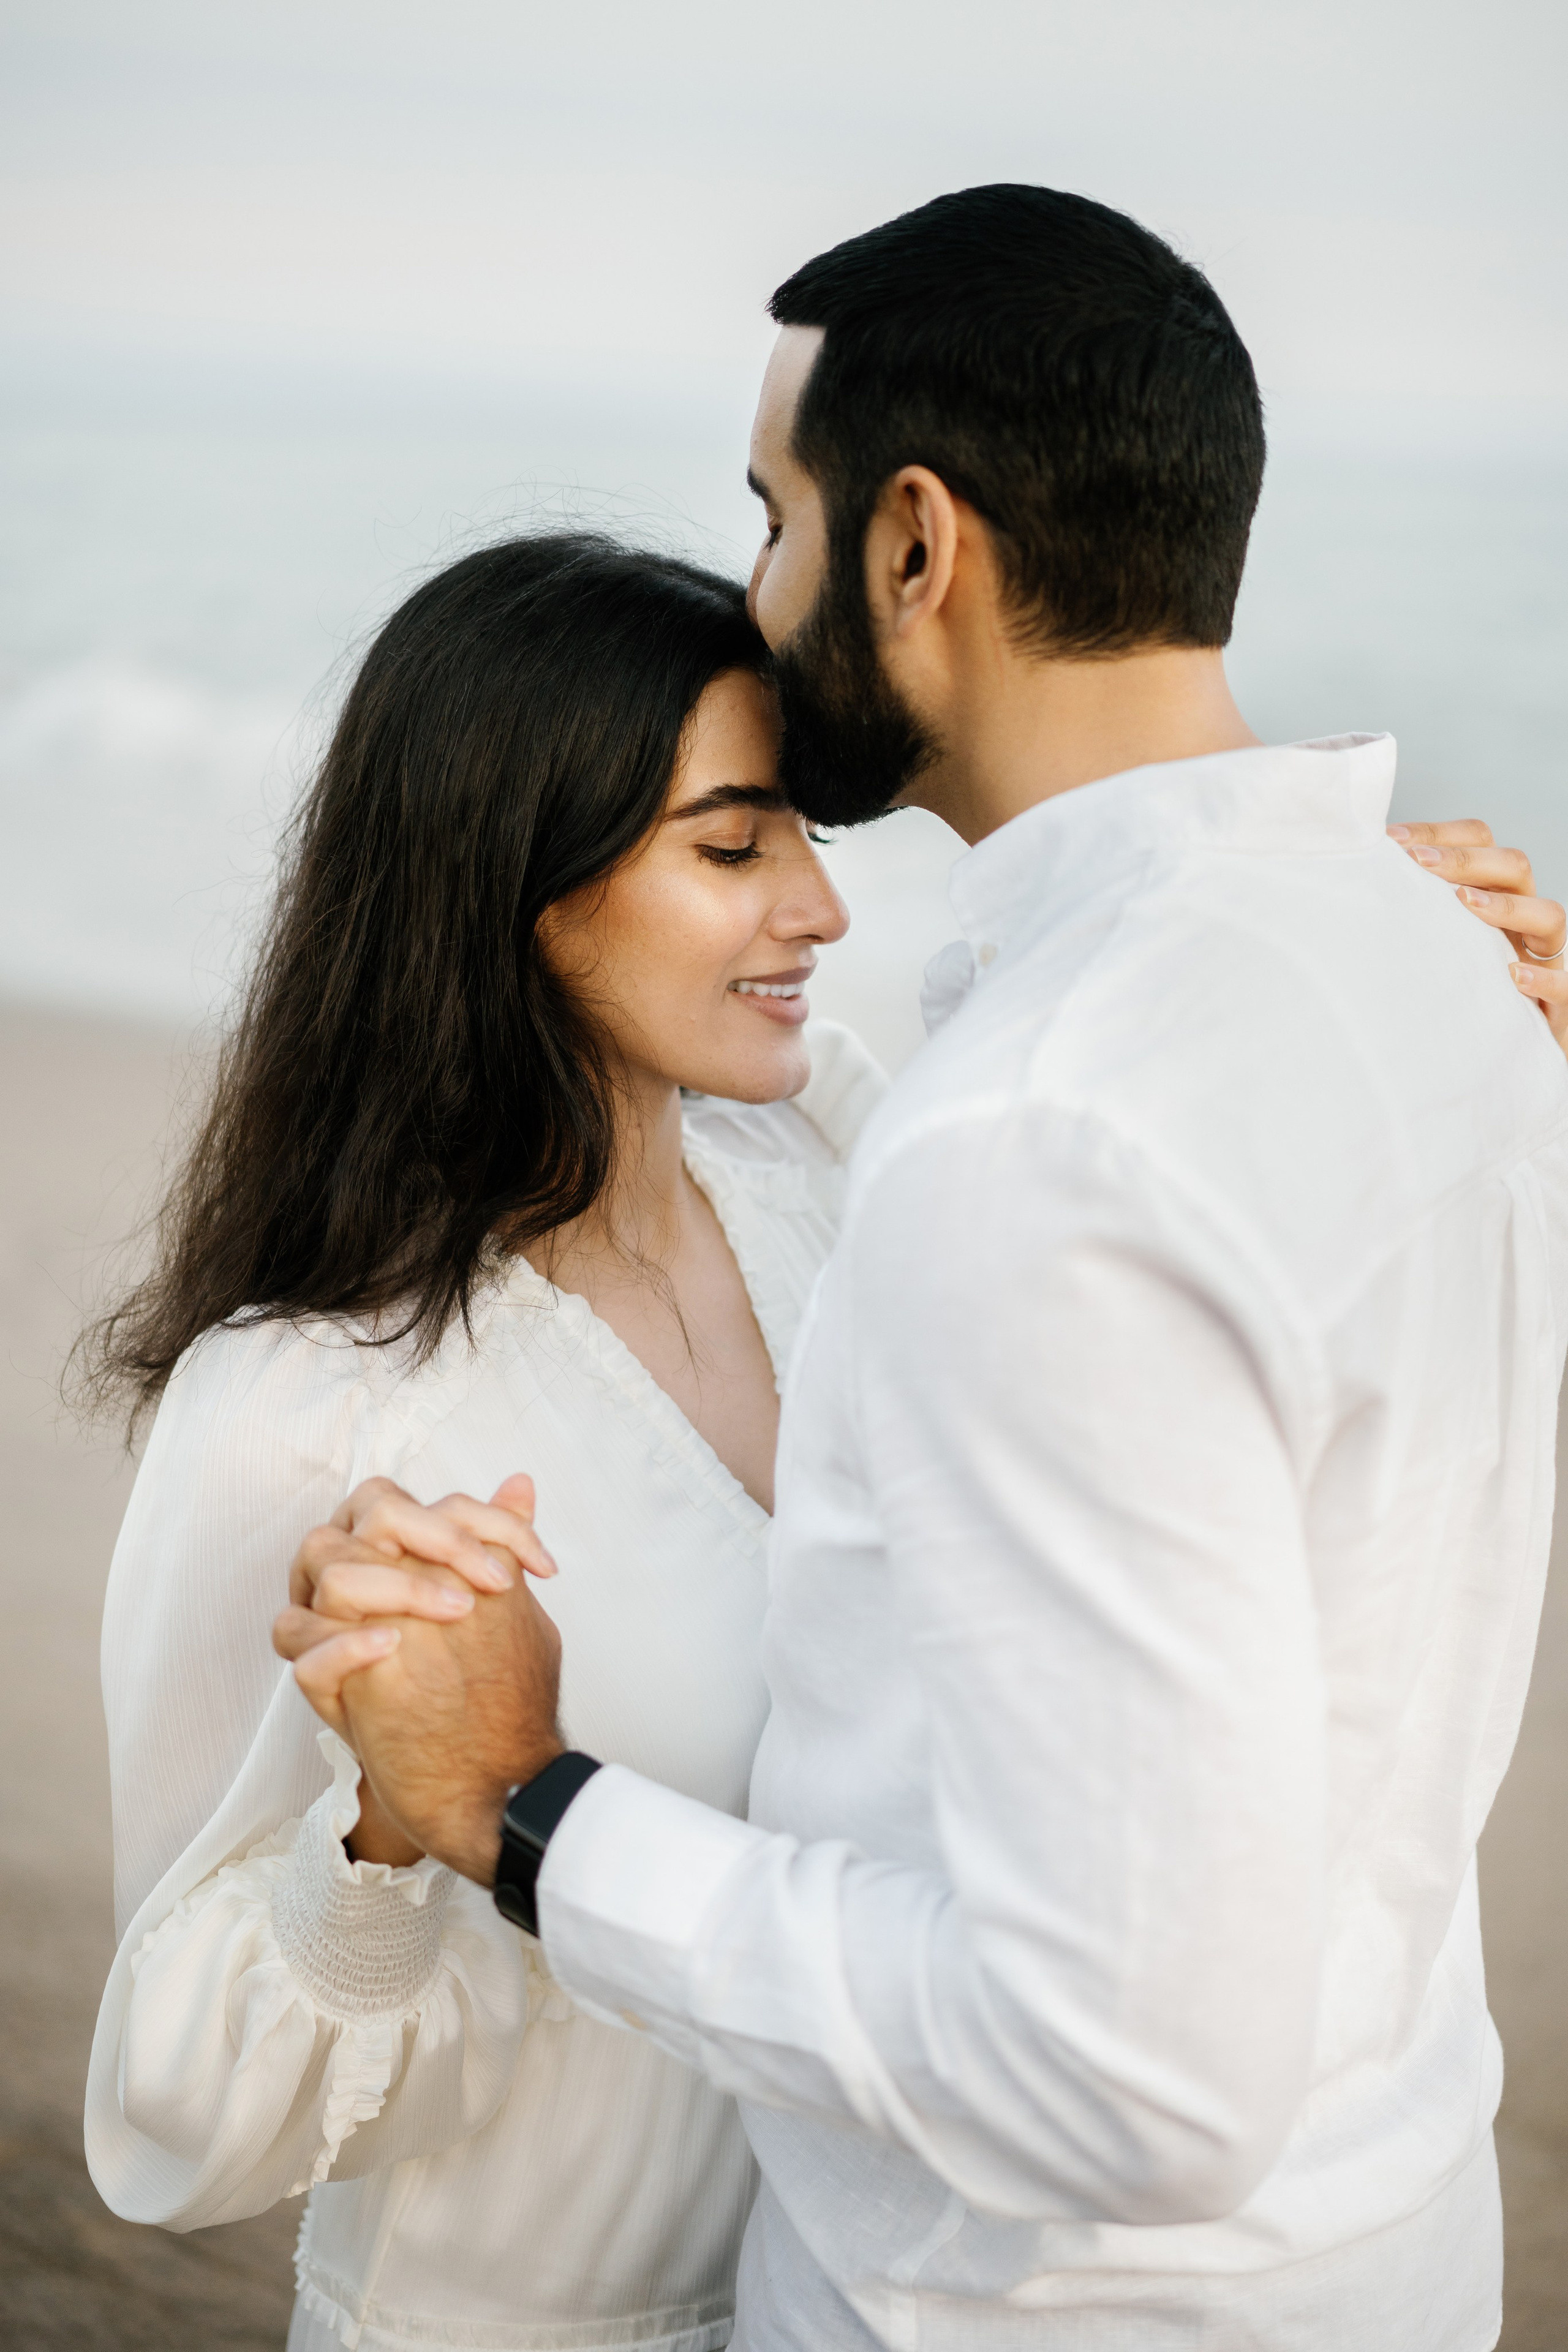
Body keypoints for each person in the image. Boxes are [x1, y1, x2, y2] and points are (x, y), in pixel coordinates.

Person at [276, 187, 1568, 2352]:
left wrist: (530, 1811)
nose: (761, 590)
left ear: (914, 548)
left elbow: (1124, 2078)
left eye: (774, 519)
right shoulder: (1441, 982)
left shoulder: (1046, 1137)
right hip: (1392, 2236)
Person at [84, 532, 888, 2350]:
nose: (821, 910)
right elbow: (168, 2109)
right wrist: (390, 1824)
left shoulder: (829, 1188)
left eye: (810, 838)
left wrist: (1374, 960)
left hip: (856, 2304)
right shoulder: (313, 1403)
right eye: (735, 845)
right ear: (518, 879)